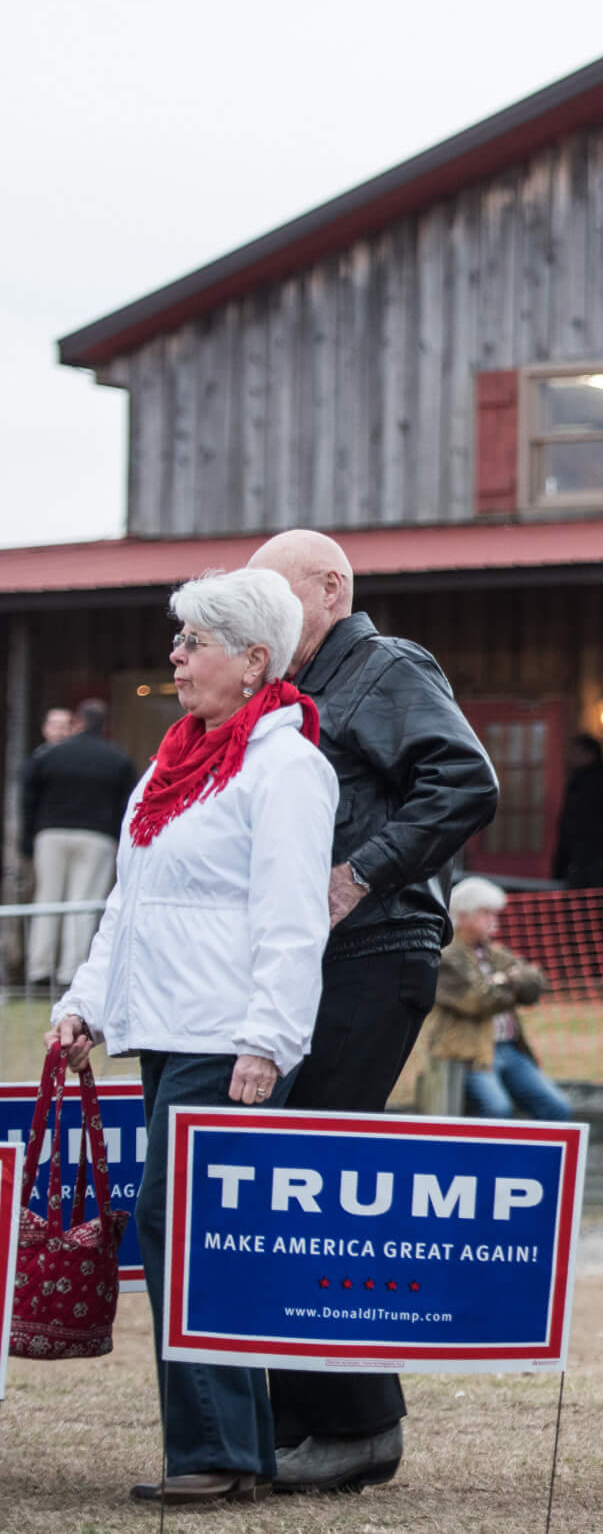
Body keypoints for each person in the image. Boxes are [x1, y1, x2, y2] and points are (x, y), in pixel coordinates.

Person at [47, 569, 336, 1506]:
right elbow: (130, 903)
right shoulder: (172, 760)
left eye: (194, 642)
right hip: (166, 1025)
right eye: (177, 641)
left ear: (254, 661)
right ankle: (231, 1452)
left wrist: (268, 1040)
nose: (175, 657)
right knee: (195, 1233)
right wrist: (86, 1000)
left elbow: (294, 918)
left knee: (183, 1226)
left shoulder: (287, 767)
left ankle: (213, 1453)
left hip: (228, 1035)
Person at [245, 528, 501, 1493]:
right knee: (284, 1176)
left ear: (328, 587)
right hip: (317, 963)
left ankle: (358, 1425)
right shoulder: (299, 689)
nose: (262, 617)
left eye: (275, 594)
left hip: (376, 949)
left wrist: (361, 874)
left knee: (311, 1171)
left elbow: (467, 778)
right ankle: (305, 1415)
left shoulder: (382, 665)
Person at [18, 697, 139, 992]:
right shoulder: (118, 759)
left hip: (51, 833)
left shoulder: (48, 757)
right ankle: (70, 972)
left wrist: (27, 838)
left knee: (47, 899)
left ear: (78, 722)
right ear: (105, 726)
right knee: (82, 904)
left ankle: (39, 970)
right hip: (96, 836)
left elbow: (28, 798)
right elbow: (128, 804)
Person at [426, 876, 571, 1121]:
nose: (495, 921)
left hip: (510, 1049)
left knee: (557, 1108)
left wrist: (501, 982)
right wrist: (509, 980)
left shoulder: (496, 953)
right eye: (486, 913)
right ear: (463, 915)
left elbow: (534, 984)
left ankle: (534, 1160)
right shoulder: (448, 956)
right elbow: (478, 1001)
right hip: (469, 1052)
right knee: (496, 1109)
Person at [550, 733, 603, 888]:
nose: (571, 758)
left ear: (590, 754)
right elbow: (568, 825)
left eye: (576, 753)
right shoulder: (576, 783)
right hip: (579, 863)